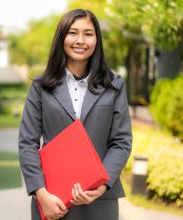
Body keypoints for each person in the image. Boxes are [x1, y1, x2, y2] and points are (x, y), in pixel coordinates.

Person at [18, 9, 132, 220]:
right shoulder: (40, 86)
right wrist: (41, 194)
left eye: (88, 34)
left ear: (97, 40)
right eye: (73, 32)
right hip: (53, 200)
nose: (80, 40)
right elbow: (27, 143)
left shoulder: (114, 85)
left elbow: (121, 141)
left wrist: (102, 185)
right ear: (62, 37)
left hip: (100, 201)